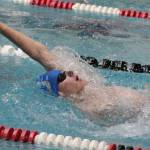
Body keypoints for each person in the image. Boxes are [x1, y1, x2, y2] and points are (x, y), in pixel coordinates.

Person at [0, 22, 148, 124]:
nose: (69, 72)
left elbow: (39, 52)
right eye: (61, 76)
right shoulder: (91, 110)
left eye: (64, 72)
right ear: (61, 93)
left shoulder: (83, 80)